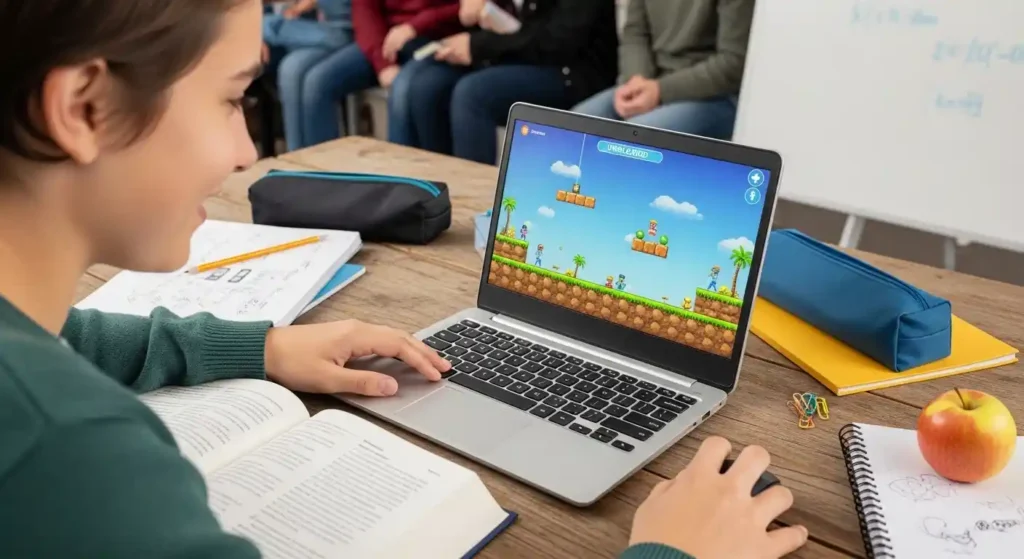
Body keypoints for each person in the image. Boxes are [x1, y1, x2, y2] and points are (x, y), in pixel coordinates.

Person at [0, 1, 807, 557]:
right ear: (84, 108)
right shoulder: (74, 456)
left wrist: (263, 347)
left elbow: (59, 337)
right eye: (232, 98)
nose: (247, 151)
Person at [386, 0, 618, 165]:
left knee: (473, 94)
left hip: (571, 71)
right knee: (425, 87)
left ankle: (473, 199)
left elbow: (557, 41)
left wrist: (477, 45)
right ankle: (436, 195)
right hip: (518, 54)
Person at [278, 0, 462, 151]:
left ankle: (401, 177)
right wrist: (382, 64)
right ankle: (318, 175)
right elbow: (365, 13)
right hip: (386, 40)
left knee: (402, 87)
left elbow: (465, 7)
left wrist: (414, 26)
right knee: (317, 82)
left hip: (438, 37)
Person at [572, 0, 755, 140]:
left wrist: (659, 91)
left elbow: (732, 63)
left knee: (631, 140)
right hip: (650, 82)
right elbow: (635, 33)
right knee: (574, 125)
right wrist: (637, 81)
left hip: (713, 96)